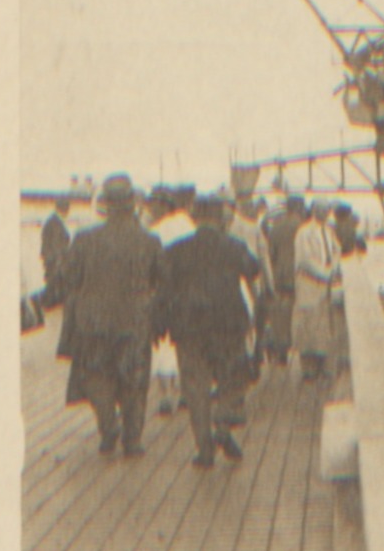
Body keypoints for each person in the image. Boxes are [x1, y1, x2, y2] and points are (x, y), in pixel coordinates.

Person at [59, 175, 162, 457]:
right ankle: (132, 440)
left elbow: (68, 278)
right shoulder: (150, 241)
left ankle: (108, 425)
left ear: (105, 204)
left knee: (96, 376)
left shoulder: (84, 239)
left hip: (93, 322)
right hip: (135, 322)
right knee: (134, 380)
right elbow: (160, 282)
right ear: (132, 204)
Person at [158, 195, 260, 468]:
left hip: (189, 327)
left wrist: (164, 323)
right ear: (221, 218)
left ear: (194, 217)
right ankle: (223, 425)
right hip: (227, 327)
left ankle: (204, 449)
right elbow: (253, 268)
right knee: (232, 379)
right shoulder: (233, 246)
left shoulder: (176, 250)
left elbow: (163, 288)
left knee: (195, 387)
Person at [144, 188, 196, 416]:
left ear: (164, 206)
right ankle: (183, 392)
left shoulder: (154, 231)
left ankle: (167, 394)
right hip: (187, 293)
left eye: (154, 204)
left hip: (164, 295)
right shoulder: (186, 223)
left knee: (162, 344)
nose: (150, 208)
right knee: (184, 342)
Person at [292, 198, 341, 380]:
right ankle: (307, 369)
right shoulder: (304, 232)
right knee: (307, 327)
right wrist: (326, 273)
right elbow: (305, 260)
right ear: (314, 210)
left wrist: (333, 267)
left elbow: (337, 250)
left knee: (322, 328)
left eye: (327, 209)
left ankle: (322, 366)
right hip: (309, 283)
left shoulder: (329, 231)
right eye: (321, 209)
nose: (325, 213)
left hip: (324, 286)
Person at [229, 196, 274, 374]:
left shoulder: (228, 228)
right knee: (254, 321)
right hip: (250, 282)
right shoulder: (253, 228)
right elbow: (264, 258)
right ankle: (254, 359)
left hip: (233, 283)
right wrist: (270, 286)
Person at [264, 195, 306, 365]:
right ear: (299, 209)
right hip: (298, 277)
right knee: (297, 313)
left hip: (279, 277)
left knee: (279, 313)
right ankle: (298, 349)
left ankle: (279, 349)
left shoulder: (276, 228)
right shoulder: (303, 228)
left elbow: (270, 255)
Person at [40, 197, 71, 310]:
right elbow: (58, 247)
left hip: (52, 261)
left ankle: (49, 305)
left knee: (52, 286)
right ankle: (49, 306)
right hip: (55, 263)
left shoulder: (52, 221)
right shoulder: (56, 224)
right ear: (65, 209)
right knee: (54, 287)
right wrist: (61, 263)